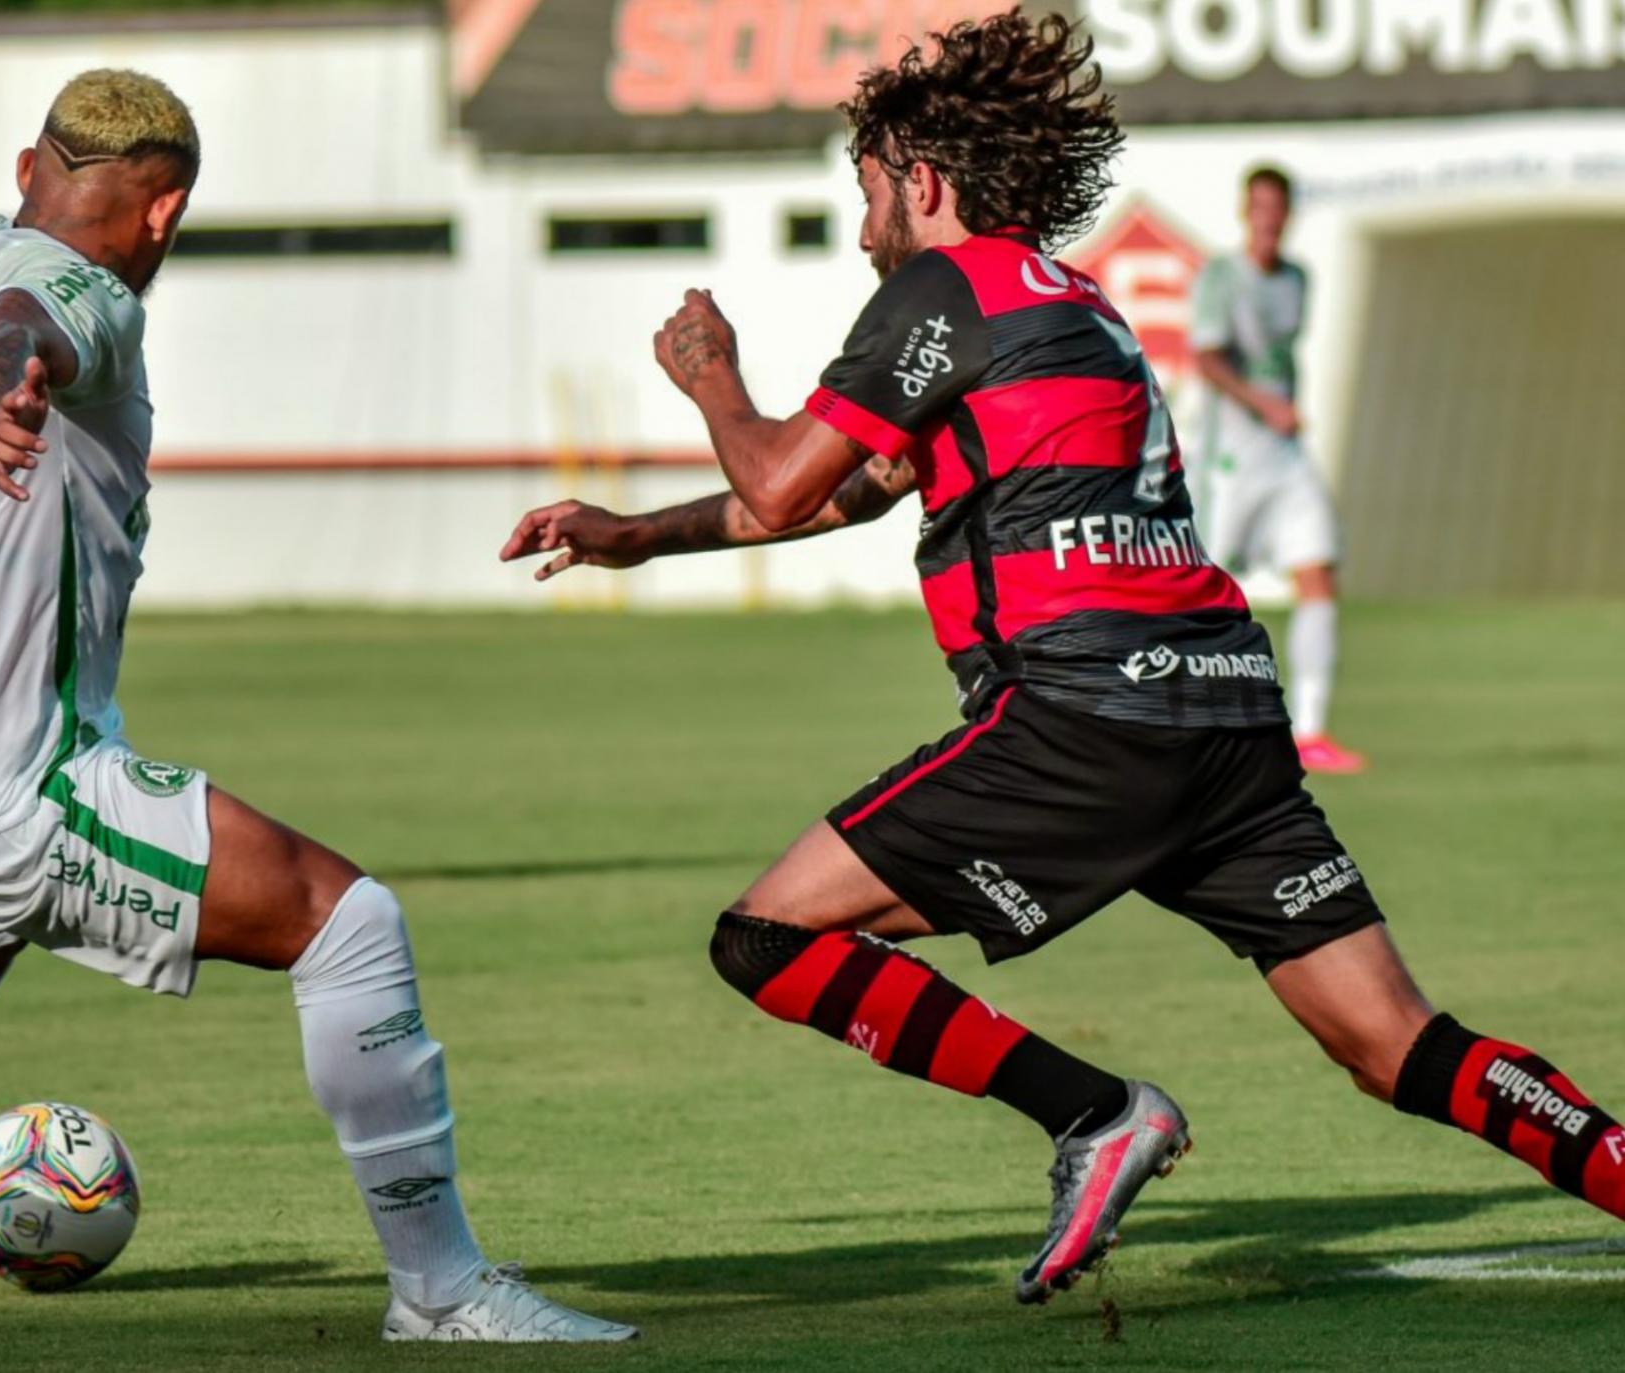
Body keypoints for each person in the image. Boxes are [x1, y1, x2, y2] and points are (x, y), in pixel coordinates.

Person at [502, 13, 1624, 1306]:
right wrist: (636, 536)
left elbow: (776, 470)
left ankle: (1094, 1111)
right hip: (1223, 721)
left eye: (866, 187)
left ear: (922, 179)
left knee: (767, 936)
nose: (863, 218)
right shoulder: (1067, 302)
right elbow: (848, 492)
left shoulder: (940, 288)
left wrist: (711, 376)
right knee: (1394, 1045)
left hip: (1086, 717)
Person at [0, 68, 631, 1345]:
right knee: (349, 925)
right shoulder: (95, 297)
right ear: (162, 214)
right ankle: (438, 1290)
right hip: (19, 784)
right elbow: (14, 326)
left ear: (22, 167)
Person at [1190, 167, 1363, 774]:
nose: (1267, 218)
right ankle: (1186, 725)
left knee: (1318, 571)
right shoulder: (1221, 277)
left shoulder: (1296, 279)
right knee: (1200, 594)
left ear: (1287, 214)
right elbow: (1207, 357)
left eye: (1277, 208)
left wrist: (1282, 411)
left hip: (1285, 457)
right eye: (1258, 206)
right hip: (1231, 460)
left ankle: (1311, 730)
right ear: (1246, 212)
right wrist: (1264, 405)